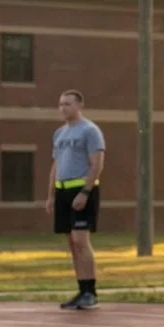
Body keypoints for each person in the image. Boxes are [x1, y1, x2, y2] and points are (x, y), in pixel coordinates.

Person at [48, 90, 105, 310]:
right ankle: (81, 290)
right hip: (63, 192)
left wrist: (85, 192)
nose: (63, 108)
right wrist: (51, 195)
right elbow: (56, 165)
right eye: (61, 104)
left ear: (79, 106)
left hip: (81, 191)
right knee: (72, 243)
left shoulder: (90, 131)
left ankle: (91, 293)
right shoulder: (59, 134)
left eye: (68, 104)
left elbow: (97, 164)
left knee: (82, 241)